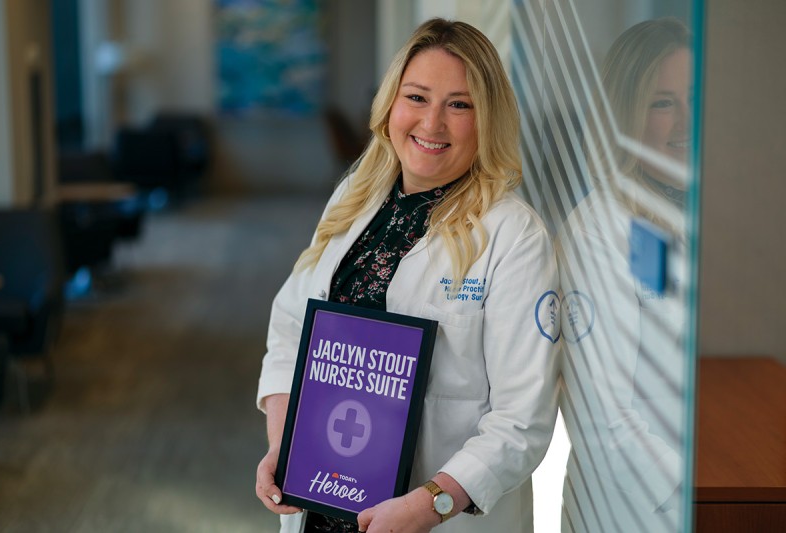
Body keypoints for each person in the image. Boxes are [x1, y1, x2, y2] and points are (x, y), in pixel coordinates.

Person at [255, 18, 559, 533]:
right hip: (322, 506)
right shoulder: (357, 194)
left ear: (487, 119)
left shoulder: (514, 236)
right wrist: (284, 446)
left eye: (459, 105)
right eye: (416, 97)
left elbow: (520, 422)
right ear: (390, 104)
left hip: (434, 518)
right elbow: (291, 327)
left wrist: (428, 506)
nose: (432, 123)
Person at [556, 18, 693, 532]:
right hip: (638, 509)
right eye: (662, 103)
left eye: (693, 99)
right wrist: (693, 489)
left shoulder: (696, 213)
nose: (685, 122)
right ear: (625, 114)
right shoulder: (600, 232)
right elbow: (605, 416)